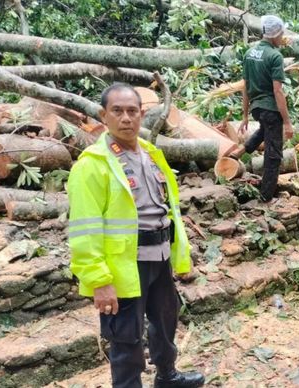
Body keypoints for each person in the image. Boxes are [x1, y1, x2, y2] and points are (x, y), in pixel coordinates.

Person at [67, 83, 204, 388]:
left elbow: (168, 210)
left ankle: (167, 375)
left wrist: (180, 256)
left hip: (160, 257)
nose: (126, 118)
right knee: (125, 337)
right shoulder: (93, 165)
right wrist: (99, 280)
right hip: (123, 267)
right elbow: (84, 229)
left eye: (132, 111)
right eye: (117, 111)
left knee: (166, 320)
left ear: (142, 115)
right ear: (104, 115)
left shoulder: (152, 154)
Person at [234, 15, 293, 202]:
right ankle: (266, 197)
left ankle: (242, 150)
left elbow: (245, 87)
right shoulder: (275, 56)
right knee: (274, 154)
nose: (282, 37)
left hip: (257, 109)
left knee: (264, 129)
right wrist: (288, 122)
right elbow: (277, 91)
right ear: (275, 34)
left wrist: (245, 115)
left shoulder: (249, 54)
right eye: (281, 33)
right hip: (270, 107)